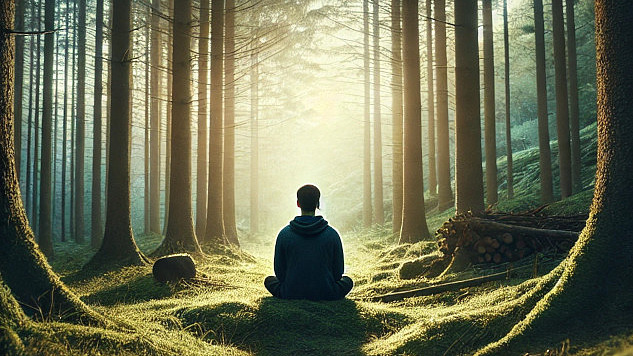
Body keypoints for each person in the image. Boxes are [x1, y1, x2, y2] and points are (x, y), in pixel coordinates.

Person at [264, 184, 353, 301]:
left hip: (290, 293)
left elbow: (280, 274)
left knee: (269, 280)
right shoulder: (332, 234)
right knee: (348, 281)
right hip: (327, 293)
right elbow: (338, 273)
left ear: (298, 203)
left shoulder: (284, 234)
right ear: (317, 204)